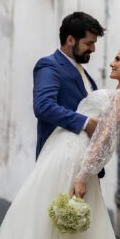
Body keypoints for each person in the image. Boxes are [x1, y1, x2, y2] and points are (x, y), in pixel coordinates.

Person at [0, 46, 120, 239]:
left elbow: (105, 137)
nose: (112, 63)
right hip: (62, 151)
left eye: (118, 59)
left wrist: (82, 175)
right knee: (40, 213)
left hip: (75, 158)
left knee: (51, 219)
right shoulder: (118, 93)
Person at [33, 11, 106, 178]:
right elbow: (43, 106)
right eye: (89, 43)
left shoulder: (88, 77)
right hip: (57, 164)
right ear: (70, 40)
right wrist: (85, 123)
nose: (93, 49)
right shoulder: (49, 65)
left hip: (83, 170)